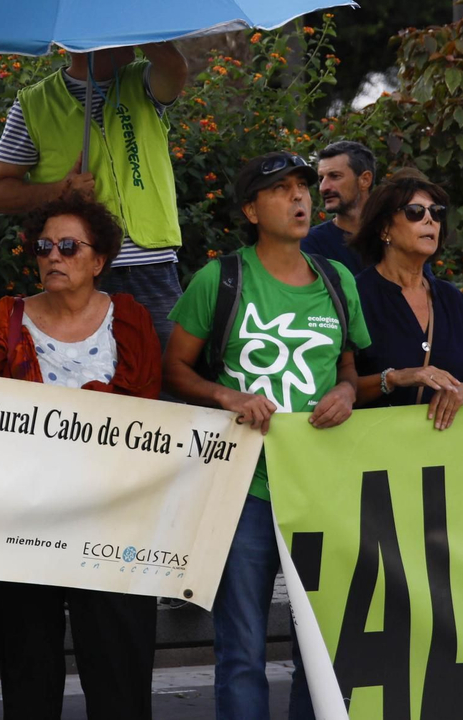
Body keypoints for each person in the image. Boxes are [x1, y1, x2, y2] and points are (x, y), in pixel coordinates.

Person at [162, 151, 367, 720]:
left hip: (317, 489)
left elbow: (349, 366)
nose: (300, 198)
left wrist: (347, 392)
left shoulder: (336, 278)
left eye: (304, 187)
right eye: (282, 190)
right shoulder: (219, 278)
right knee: (243, 651)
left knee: (319, 650)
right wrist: (228, 396)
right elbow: (174, 369)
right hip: (241, 492)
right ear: (252, 210)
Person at [0, 195, 161, 719]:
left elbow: (145, 414)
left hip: (113, 523)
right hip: (22, 520)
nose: (54, 255)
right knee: (29, 678)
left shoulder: (132, 319)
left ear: (99, 261)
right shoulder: (7, 318)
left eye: (69, 246)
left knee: (120, 677)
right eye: (44, 246)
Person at [0, 43, 188, 346]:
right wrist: (60, 191)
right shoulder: (35, 104)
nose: (129, 39)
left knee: (165, 383)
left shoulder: (143, 83)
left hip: (152, 266)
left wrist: (129, 13)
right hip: (76, 267)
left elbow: (175, 68)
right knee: (87, 384)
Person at [349, 173, 463, 429]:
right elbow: (335, 387)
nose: (429, 220)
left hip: (444, 456)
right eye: (415, 211)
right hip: (374, 453)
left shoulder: (451, 298)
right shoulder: (356, 294)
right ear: (384, 228)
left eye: (436, 213)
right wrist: (394, 378)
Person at [301, 140, 376, 274]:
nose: (323, 188)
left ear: (365, 180)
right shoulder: (311, 244)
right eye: (321, 179)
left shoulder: (395, 235)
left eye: (334, 176)